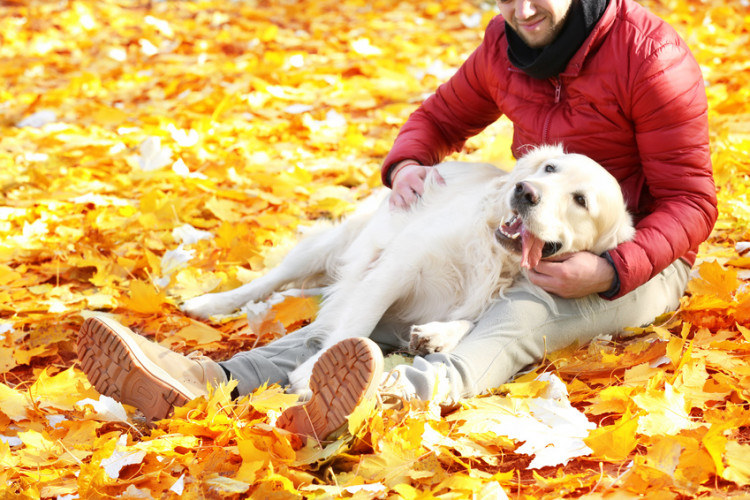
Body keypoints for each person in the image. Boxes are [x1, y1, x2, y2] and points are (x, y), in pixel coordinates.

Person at [77, 0, 717, 442]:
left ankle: (388, 395)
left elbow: (693, 203)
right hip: (526, 230)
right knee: (390, 307)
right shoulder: (504, 46)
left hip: (641, 257)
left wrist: (609, 268)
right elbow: (437, 119)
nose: (523, 9)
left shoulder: (649, 56)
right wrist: (409, 164)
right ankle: (209, 380)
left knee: (524, 314)